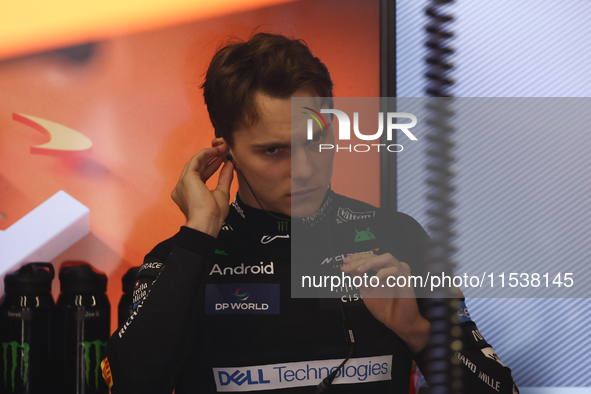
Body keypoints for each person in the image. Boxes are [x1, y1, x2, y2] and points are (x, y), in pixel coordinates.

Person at [102, 33, 518, 393]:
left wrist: (420, 335)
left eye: (315, 140)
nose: (303, 169)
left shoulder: (399, 238)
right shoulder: (181, 259)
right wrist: (198, 236)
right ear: (224, 152)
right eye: (273, 150)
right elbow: (132, 384)